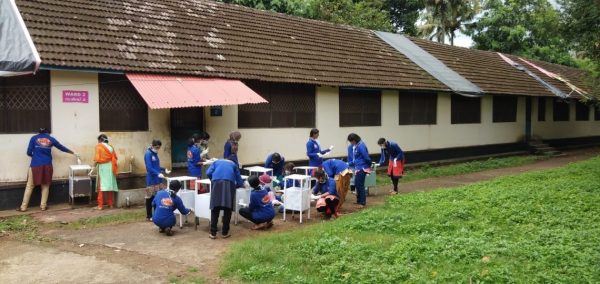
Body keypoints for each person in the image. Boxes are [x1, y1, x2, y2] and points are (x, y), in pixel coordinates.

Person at [18, 128, 77, 212]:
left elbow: (28, 152)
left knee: (30, 186)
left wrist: (34, 156)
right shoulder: (51, 139)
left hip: (35, 165)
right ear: (48, 133)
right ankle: (43, 206)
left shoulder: (33, 138)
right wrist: (72, 152)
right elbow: (61, 147)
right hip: (47, 165)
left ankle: (23, 207)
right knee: (45, 186)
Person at [206, 158, 244, 239]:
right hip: (229, 184)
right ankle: (224, 232)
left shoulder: (216, 162)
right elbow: (240, 182)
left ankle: (213, 233)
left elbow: (208, 172)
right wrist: (237, 185)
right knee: (228, 208)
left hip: (216, 183)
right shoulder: (233, 164)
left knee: (215, 207)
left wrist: (213, 180)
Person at [144, 139, 170, 221]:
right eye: (156, 147)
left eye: (159, 147)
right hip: (151, 180)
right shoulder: (148, 154)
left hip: (158, 180)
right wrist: (157, 173)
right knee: (149, 198)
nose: (157, 149)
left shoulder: (155, 154)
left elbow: (156, 166)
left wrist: (164, 169)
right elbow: (149, 168)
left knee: (157, 197)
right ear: (152, 145)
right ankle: (149, 216)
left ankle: (156, 214)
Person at [93, 134, 119, 210]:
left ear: (100, 140)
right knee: (109, 185)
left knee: (101, 186)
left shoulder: (99, 146)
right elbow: (115, 157)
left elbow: (97, 159)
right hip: (111, 168)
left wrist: (93, 166)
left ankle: (100, 205)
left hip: (103, 169)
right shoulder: (111, 147)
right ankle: (110, 204)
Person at [347, 133, 371, 209]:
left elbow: (366, 157)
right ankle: (358, 200)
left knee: (360, 185)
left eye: (351, 142)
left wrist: (368, 166)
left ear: (354, 140)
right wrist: (348, 163)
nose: (351, 143)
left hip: (362, 168)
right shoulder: (357, 146)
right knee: (357, 184)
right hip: (358, 167)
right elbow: (356, 159)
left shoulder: (361, 146)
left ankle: (362, 202)